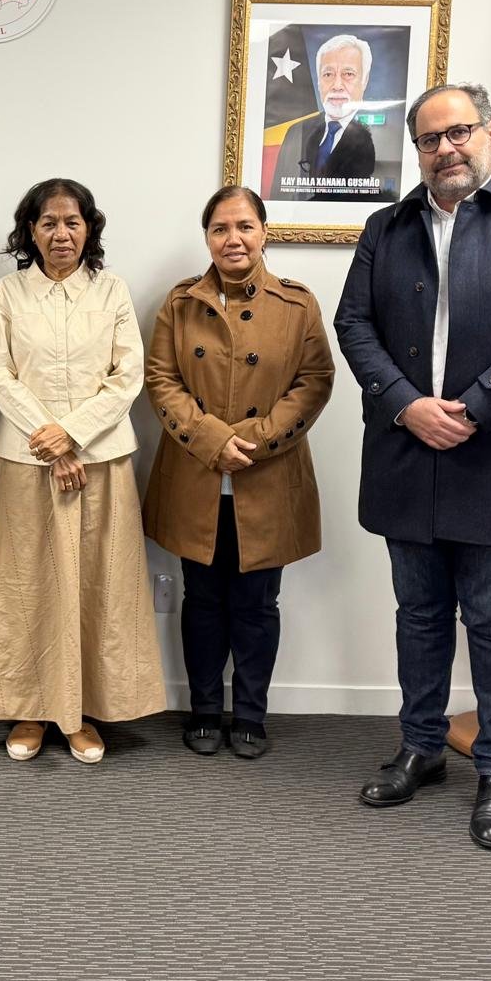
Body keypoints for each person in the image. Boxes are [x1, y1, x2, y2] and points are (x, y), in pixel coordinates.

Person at [334, 82, 491, 851]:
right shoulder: (385, 227)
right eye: (429, 139)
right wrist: (406, 404)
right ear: (416, 150)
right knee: (418, 616)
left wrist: (473, 408)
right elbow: (354, 323)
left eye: (459, 132)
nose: (445, 148)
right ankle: (421, 747)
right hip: (407, 455)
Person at [0, 179, 165, 764]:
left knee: (99, 585)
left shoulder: (112, 291)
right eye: (49, 222)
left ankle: (82, 712)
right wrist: (52, 443)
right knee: (25, 587)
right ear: (30, 231)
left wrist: (74, 434)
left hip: (101, 460)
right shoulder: (9, 292)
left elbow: (127, 377)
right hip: (26, 460)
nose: (61, 233)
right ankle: (30, 709)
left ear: (89, 228)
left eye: (72, 222)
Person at [143, 185, 335, 759]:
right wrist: (211, 440)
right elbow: (161, 380)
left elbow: (314, 382)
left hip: (267, 476)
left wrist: (252, 440)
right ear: (207, 237)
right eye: (221, 228)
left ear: (264, 233)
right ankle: (204, 709)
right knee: (201, 599)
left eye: (245, 226)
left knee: (257, 603)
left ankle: (250, 713)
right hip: (195, 476)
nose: (234, 239)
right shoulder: (180, 304)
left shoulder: (297, 305)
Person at [272, 33, 379, 195]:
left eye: (348, 74)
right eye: (328, 74)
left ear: (365, 80)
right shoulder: (296, 132)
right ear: (318, 81)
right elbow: (279, 197)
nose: (337, 85)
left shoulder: (378, 138)